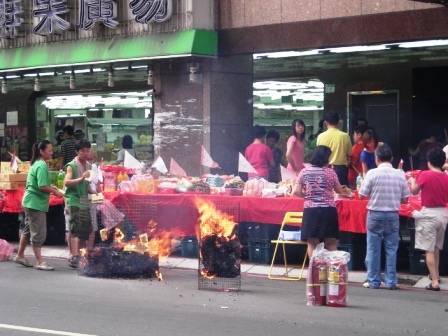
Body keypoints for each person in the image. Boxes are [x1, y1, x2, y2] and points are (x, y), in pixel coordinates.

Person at [359, 145, 410, 290]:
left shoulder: (372, 173)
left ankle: (374, 281)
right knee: (392, 249)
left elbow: (362, 195)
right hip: (393, 214)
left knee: (373, 249)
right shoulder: (400, 174)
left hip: (375, 214)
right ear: (392, 159)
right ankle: (391, 281)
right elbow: (405, 200)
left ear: (377, 159)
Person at [13, 141, 64, 270]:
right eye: (50, 150)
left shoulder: (38, 163)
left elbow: (41, 184)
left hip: (31, 202)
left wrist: (51, 188)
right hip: (35, 203)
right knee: (38, 233)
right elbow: (42, 187)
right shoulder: (41, 165)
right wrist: (55, 191)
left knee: (28, 230)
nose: (52, 152)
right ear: (42, 151)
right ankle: (39, 261)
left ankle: (20, 255)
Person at [408, 147, 448, 291]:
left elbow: (414, 191)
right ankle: (435, 275)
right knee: (436, 247)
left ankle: (435, 282)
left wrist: (412, 180)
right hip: (442, 214)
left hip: (429, 214)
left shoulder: (425, 174)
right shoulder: (446, 177)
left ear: (429, 162)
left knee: (428, 250)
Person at [293, 145, 344, 258]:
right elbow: (339, 190)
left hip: (311, 211)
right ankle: (332, 270)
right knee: (330, 242)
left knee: (312, 242)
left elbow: (296, 192)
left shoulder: (304, 172)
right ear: (326, 158)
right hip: (329, 210)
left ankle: (315, 270)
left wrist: (307, 196)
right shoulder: (330, 172)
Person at [64, 139, 94, 268]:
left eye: (87, 151)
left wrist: (95, 193)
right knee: (75, 228)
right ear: (77, 152)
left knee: (85, 229)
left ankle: (78, 254)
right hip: (73, 199)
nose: (85, 153)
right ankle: (74, 256)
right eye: (82, 151)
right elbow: (66, 183)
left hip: (83, 199)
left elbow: (86, 185)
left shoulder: (90, 166)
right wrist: (81, 178)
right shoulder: (71, 165)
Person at [316, 111, 352, 186]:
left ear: (326, 123)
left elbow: (318, 153)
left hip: (324, 168)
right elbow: (349, 153)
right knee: (341, 192)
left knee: (325, 190)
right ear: (339, 122)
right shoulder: (345, 136)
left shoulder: (320, 136)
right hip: (340, 169)